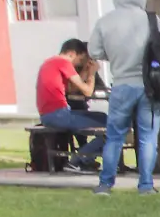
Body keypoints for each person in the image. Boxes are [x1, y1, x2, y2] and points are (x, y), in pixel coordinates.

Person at [88, 0, 160, 196]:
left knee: (115, 137)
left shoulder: (105, 21)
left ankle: (105, 184)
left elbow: (94, 51)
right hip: (150, 86)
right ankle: (145, 185)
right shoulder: (151, 19)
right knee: (148, 138)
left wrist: (114, 56)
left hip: (121, 86)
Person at [35, 39, 108, 173]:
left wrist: (86, 71)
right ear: (72, 53)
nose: (80, 63)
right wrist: (91, 73)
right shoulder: (63, 62)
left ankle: (85, 160)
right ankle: (77, 161)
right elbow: (87, 91)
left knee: (104, 118)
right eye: (81, 59)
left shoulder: (49, 62)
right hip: (59, 115)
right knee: (114, 127)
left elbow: (72, 90)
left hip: (50, 114)